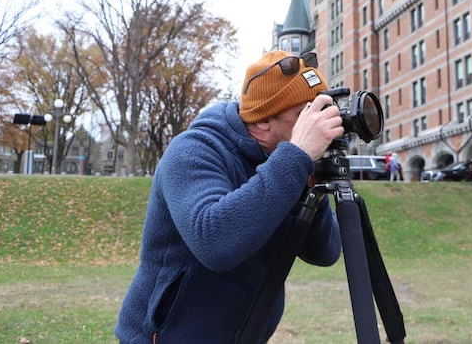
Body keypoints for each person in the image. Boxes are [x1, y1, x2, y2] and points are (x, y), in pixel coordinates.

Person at [115, 50, 343, 343]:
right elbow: (216, 243)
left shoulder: (285, 163)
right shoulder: (193, 150)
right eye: (304, 115)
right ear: (262, 123)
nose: (318, 124)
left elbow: (325, 253)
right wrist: (295, 157)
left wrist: (313, 191)